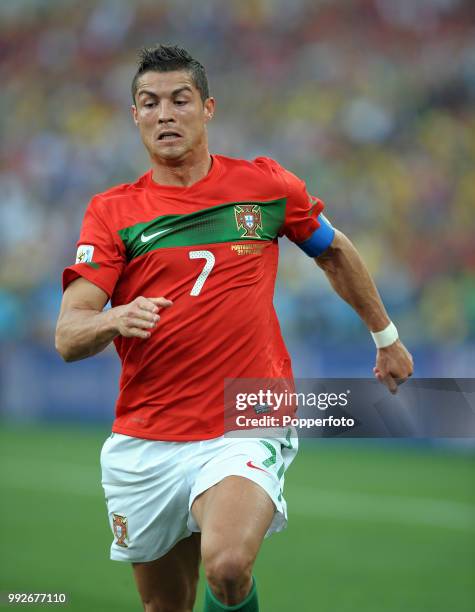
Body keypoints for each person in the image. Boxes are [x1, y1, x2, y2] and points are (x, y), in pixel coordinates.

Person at [55, 44, 413, 612]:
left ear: (208, 109)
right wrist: (115, 317)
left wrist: (386, 337)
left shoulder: (265, 186)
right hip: (148, 434)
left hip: (248, 411)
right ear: (135, 116)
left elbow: (334, 252)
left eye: (180, 100)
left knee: (225, 565)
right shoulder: (112, 213)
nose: (165, 114)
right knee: (165, 605)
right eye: (150, 103)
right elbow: (68, 336)